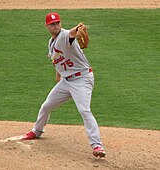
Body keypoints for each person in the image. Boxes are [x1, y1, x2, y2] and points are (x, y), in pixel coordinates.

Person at [22, 12, 106, 158]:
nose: (55, 26)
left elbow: (71, 34)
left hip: (82, 79)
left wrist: (77, 29)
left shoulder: (64, 35)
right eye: (52, 24)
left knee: (84, 110)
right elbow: (57, 59)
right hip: (66, 81)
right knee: (46, 105)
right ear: (46, 26)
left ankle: (97, 145)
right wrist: (59, 75)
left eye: (57, 23)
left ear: (60, 23)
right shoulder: (51, 42)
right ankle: (37, 130)